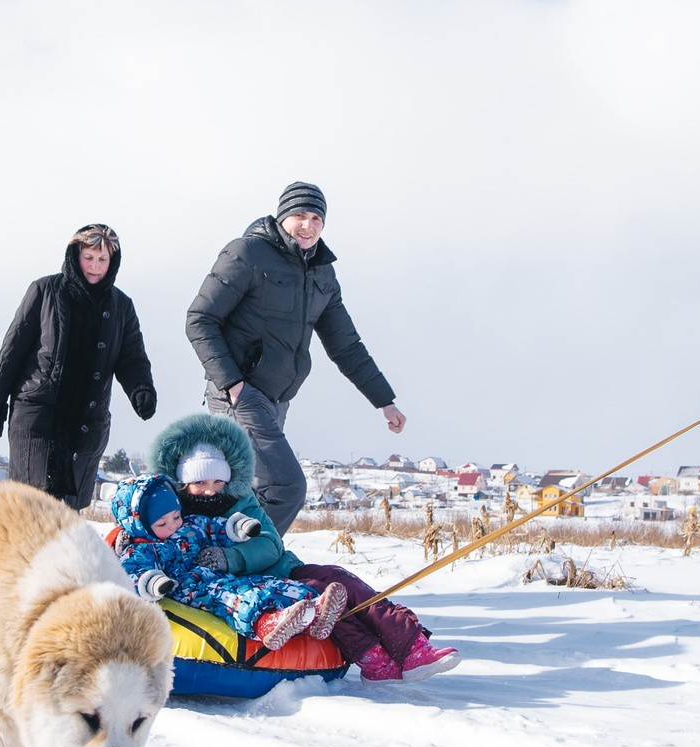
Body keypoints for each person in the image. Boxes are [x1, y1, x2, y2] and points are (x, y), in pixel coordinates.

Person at [151, 412, 458, 682]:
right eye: (200, 483)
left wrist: (231, 556)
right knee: (321, 596)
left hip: (283, 568)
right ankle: (373, 658)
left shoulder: (241, 502)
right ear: (182, 483)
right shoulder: (175, 516)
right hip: (253, 587)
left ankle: (412, 645)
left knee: (340, 579)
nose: (210, 490)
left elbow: (270, 544)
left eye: (219, 482)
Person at [185, 182, 405, 535]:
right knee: (287, 488)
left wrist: (385, 401)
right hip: (240, 394)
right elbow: (200, 319)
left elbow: (346, 345)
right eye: (299, 216)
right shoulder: (248, 254)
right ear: (282, 216)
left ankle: (213, 563)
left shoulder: (321, 273)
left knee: (247, 494)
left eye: (316, 218)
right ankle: (249, 561)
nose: (308, 225)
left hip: (277, 400)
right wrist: (234, 385)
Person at [0, 224, 156, 509]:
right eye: (89, 257)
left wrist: (141, 389)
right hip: (38, 418)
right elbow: (12, 350)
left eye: (103, 260)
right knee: (32, 508)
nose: (95, 267)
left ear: (113, 262)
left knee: (68, 516)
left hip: (86, 423)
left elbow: (132, 357)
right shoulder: (44, 290)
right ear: (75, 255)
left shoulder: (122, 306)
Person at [110, 474, 347, 649]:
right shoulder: (141, 550)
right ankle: (265, 624)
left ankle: (313, 610)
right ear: (140, 525)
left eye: (175, 516)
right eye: (162, 523)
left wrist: (239, 527)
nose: (172, 525)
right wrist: (152, 583)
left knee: (264, 585)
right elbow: (133, 573)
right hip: (191, 589)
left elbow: (214, 527)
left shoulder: (189, 525)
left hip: (218, 574)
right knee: (232, 598)